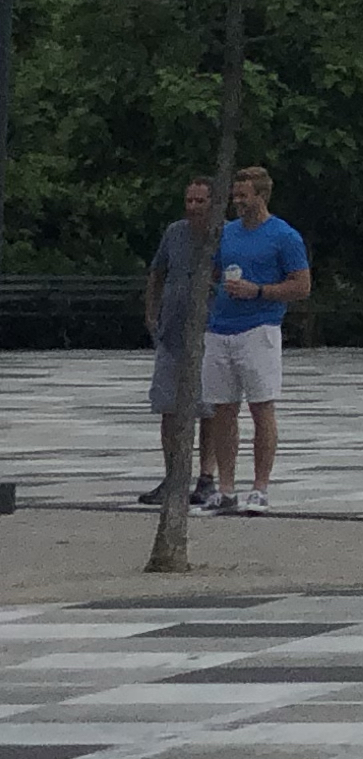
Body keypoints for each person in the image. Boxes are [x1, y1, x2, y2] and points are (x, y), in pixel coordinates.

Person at [198, 164, 311, 516]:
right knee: (222, 409)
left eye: (243, 196)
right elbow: (213, 271)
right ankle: (226, 487)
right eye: (235, 196)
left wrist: (259, 290)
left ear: (261, 196)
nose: (237, 202)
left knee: (261, 407)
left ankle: (260, 487)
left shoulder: (284, 236)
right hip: (220, 328)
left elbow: (302, 286)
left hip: (259, 328)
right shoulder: (227, 233)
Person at [139, 175, 221, 509]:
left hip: (209, 331)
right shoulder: (174, 233)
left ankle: (206, 476)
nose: (193, 208)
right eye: (189, 200)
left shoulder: (224, 236)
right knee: (168, 405)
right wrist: (151, 313)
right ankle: (173, 476)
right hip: (172, 332)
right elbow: (157, 272)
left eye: (200, 201)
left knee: (209, 407)